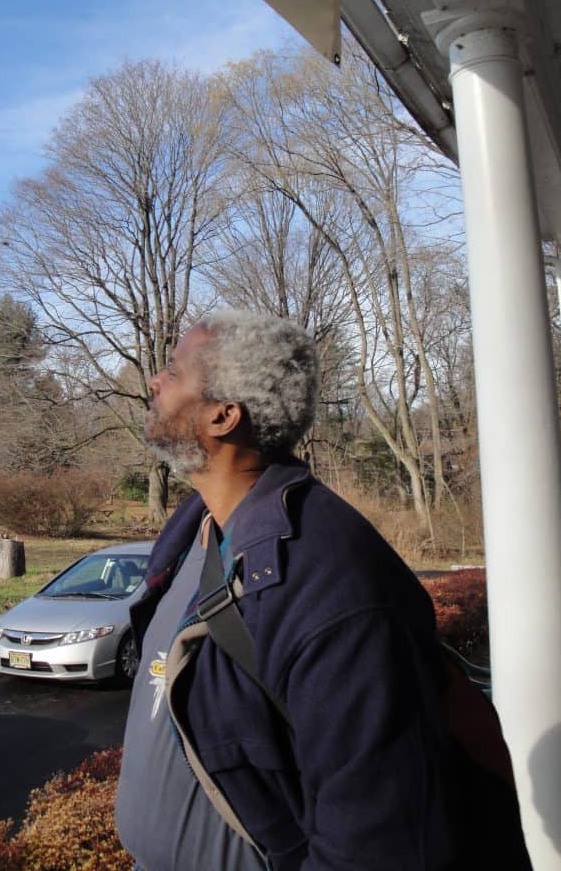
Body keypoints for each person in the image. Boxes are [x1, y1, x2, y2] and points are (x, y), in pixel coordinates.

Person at [115, 310, 530, 870]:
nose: (155, 382)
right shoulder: (195, 529)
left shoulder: (331, 586)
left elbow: (378, 844)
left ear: (222, 415)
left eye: (173, 371)